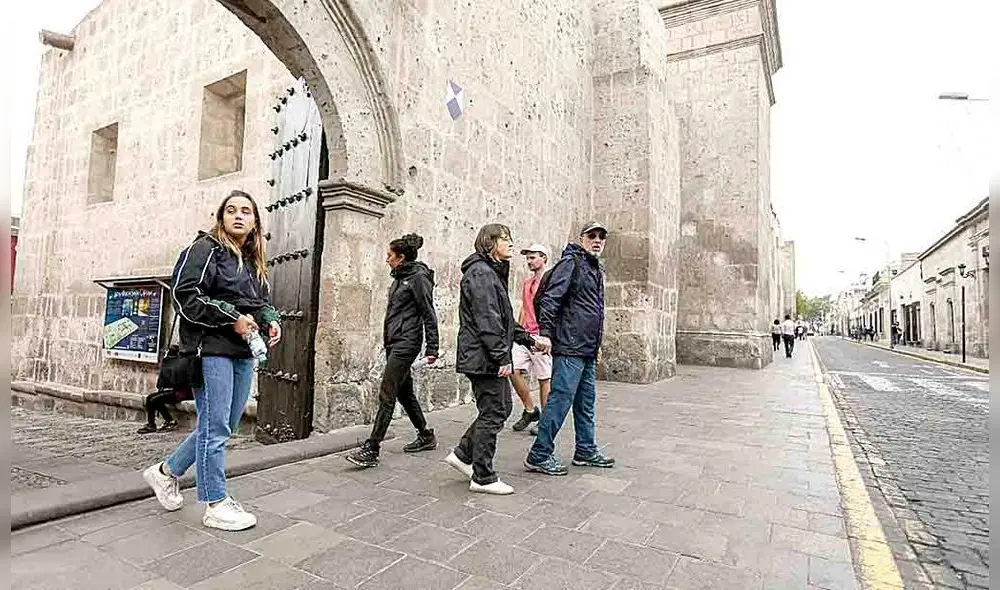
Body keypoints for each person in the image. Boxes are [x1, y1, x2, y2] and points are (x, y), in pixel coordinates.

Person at [142, 190, 281, 531]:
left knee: (221, 426)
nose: (238, 216)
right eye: (231, 210)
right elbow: (185, 294)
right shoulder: (205, 249)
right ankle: (215, 502)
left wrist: (270, 318)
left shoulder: (251, 261)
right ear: (221, 216)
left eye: (245, 211)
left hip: (242, 350)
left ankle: (165, 472)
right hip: (211, 348)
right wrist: (231, 317)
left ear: (254, 221)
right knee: (216, 427)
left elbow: (259, 300)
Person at [444, 224, 549, 495]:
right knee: (495, 410)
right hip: (483, 356)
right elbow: (487, 320)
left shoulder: (490, 273)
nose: (511, 244)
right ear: (490, 243)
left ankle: (463, 454)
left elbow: (502, 319)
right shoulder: (480, 273)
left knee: (497, 407)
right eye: (505, 239)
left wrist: (530, 339)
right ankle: (483, 477)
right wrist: (502, 357)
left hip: (485, 354)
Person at [524, 221, 614, 476]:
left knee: (586, 403)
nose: (597, 240)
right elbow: (550, 300)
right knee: (560, 400)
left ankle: (585, 450)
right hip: (570, 347)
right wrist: (546, 334)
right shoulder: (571, 263)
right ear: (582, 238)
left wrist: (596, 345)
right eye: (592, 236)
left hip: (586, 348)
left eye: (601, 237)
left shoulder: (594, 268)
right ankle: (539, 454)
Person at [347, 233, 440, 468]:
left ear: (401, 257)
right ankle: (426, 435)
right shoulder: (400, 277)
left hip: (407, 343)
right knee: (404, 393)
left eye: (390, 255)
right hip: (395, 342)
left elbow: (429, 313)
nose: (386, 259)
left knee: (386, 393)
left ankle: (372, 448)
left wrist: (433, 347)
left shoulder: (418, 279)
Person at [509, 244, 552, 434]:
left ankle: (546, 420)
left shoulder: (551, 281)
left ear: (544, 258)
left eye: (533, 257)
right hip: (525, 335)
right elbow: (524, 308)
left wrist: (549, 336)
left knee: (544, 379)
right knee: (511, 369)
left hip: (542, 336)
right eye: (527, 258)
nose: (529, 261)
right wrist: (517, 331)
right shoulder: (527, 283)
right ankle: (530, 409)